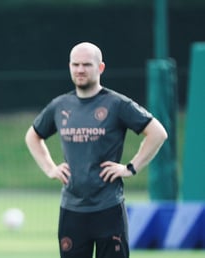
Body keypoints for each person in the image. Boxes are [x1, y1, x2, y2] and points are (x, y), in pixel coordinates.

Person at [25, 42, 167, 258]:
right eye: (75, 64)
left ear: (100, 68)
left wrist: (130, 168)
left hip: (109, 209)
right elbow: (33, 136)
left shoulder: (117, 104)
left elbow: (158, 133)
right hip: (72, 210)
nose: (80, 69)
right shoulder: (60, 106)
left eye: (86, 65)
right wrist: (50, 168)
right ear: (70, 66)